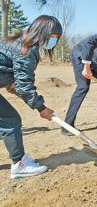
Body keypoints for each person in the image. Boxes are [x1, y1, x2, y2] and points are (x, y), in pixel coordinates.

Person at [0, 15, 62, 179]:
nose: (54, 41)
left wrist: (10, 85)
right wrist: (41, 108)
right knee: (10, 120)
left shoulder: (18, 40)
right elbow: (24, 86)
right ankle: (19, 164)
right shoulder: (27, 48)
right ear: (44, 33)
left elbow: (9, 73)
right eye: (54, 37)